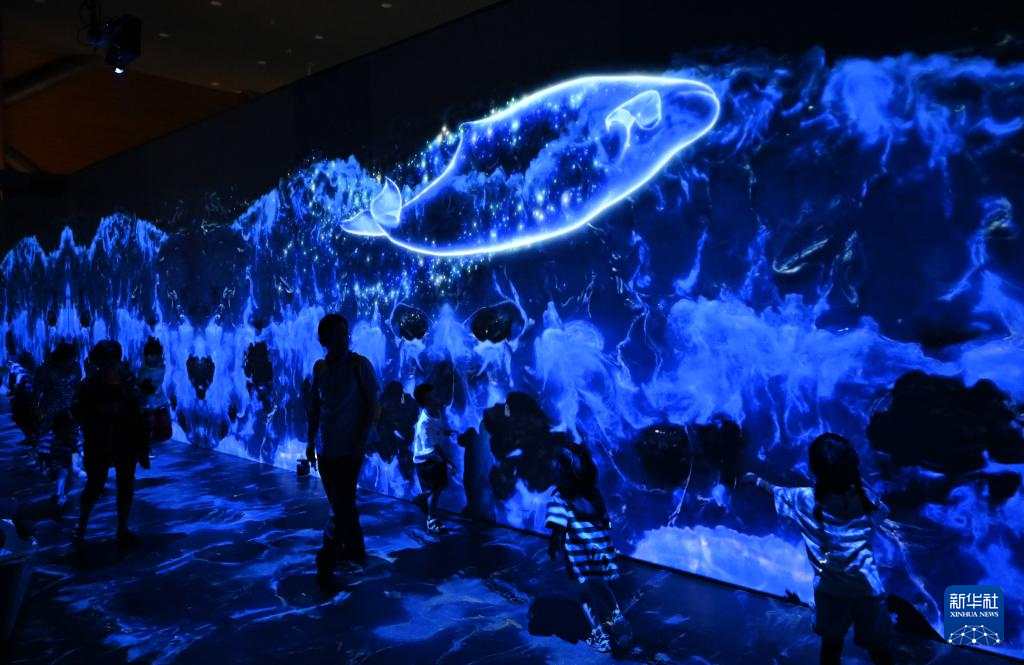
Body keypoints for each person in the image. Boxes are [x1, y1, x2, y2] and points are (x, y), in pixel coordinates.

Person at [745, 433, 893, 665]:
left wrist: (755, 479)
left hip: (830, 593)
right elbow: (883, 511)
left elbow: (774, 490)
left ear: (814, 470)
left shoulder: (804, 499)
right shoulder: (865, 499)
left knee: (831, 647)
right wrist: (855, 479)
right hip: (868, 591)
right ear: (852, 469)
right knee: (878, 649)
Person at [306, 314, 379, 588]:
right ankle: (356, 548)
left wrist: (361, 441)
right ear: (323, 340)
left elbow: (372, 404)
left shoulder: (360, 365)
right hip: (325, 447)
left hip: (350, 448)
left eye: (345, 334)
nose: (343, 340)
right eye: (335, 336)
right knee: (341, 503)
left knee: (341, 504)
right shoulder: (320, 369)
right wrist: (310, 442)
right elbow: (315, 408)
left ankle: (328, 554)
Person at [546, 444, 629, 654]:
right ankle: (616, 617)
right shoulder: (594, 494)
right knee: (600, 584)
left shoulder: (559, 498)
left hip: (579, 554)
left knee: (584, 592)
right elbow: (605, 521)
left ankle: (598, 634)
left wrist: (553, 544)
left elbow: (558, 528)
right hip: (601, 550)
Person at [73, 340, 148, 546]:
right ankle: (81, 527)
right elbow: (81, 414)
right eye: (106, 361)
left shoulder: (128, 381)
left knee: (125, 483)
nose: (111, 365)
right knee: (95, 485)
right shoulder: (90, 385)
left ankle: (122, 528)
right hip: (99, 441)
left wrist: (142, 444)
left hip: (125, 440)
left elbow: (139, 408)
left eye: (113, 360)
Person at [32, 342, 82, 508]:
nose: (70, 362)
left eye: (72, 359)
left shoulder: (76, 367)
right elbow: (37, 391)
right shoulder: (45, 369)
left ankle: (71, 466)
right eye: (67, 360)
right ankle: (49, 466)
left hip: (69, 409)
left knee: (71, 438)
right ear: (59, 359)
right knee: (49, 439)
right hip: (50, 410)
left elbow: (77, 387)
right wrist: (36, 409)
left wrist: (79, 405)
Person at [411, 383, 456, 534]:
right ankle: (431, 519)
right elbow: (434, 446)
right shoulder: (425, 423)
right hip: (426, 460)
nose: (437, 398)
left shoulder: (436, 412)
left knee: (439, 487)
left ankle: (422, 498)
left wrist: (444, 432)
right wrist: (448, 461)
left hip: (432, 457)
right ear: (426, 402)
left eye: (436, 394)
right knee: (436, 490)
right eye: (433, 397)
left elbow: (436, 431)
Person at [137, 337, 172, 458]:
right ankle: (145, 449)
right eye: (148, 355)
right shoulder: (144, 372)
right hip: (148, 403)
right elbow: (140, 388)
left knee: (163, 429)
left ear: (158, 356)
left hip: (160, 400)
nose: (149, 358)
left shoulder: (162, 367)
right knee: (149, 428)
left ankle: (146, 447)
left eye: (153, 355)